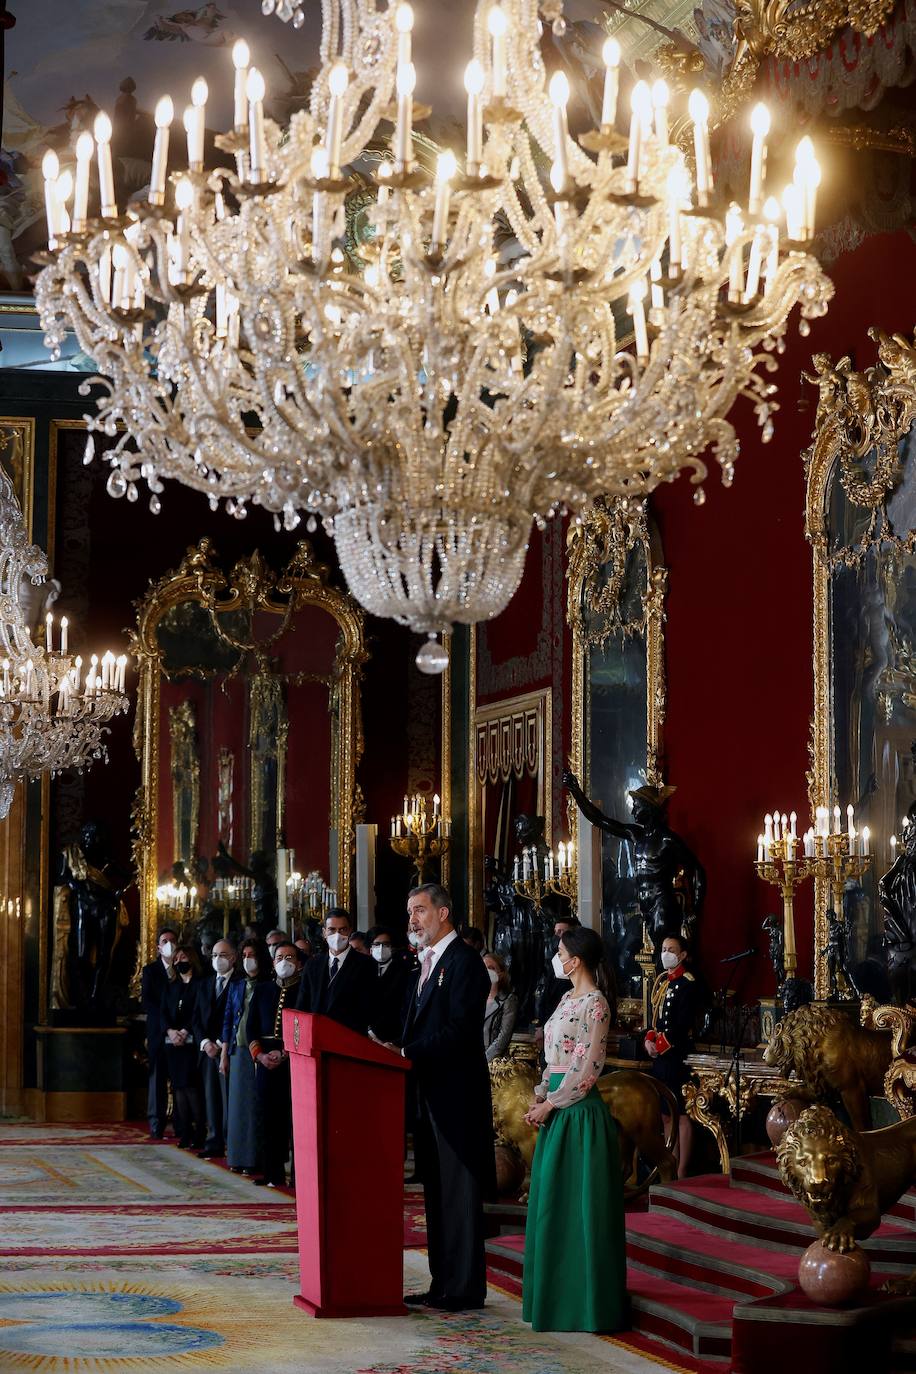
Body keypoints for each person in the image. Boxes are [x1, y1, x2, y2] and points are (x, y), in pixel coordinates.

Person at [522, 925, 626, 1333]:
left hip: (579, 1115)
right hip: (556, 1110)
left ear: (576, 960)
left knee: (581, 1211)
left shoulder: (596, 1005)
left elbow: (586, 1070)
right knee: (551, 1209)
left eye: (560, 952)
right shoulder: (566, 998)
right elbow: (554, 1058)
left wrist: (552, 1102)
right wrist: (540, 1094)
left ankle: (586, 1306)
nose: (557, 958)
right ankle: (553, 1300)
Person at [398, 883, 494, 1312]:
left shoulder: (465, 962)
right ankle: (442, 1283)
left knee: (459, 1196)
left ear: (444, 912)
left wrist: (406, 1052)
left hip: (457, 1099)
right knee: (436, 1196)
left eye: (419, 910)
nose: (413, 920)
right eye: (410, 912)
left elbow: (460, 1030)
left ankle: (464, 1288)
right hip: (429, 1097)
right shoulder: (426, 962)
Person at [246, 941, 302, 1188]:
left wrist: (285, 1053)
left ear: (299, 963)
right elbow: (251, 1029)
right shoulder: (263, 990)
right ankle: (272, 1172)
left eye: (290, 957)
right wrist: (260, 1055)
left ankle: (299, 1175)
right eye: (280, 957)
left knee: (294, 1120)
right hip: (265, 1061)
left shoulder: (304, 990)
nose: (284, 962)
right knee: (268, 1119)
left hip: (293, 1063)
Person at [645, 932, 700, 1178]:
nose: (665, 953)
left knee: (681, 1115)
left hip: (678, 1058)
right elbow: (655, 1017)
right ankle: (671, 1166)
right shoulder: (662, 982)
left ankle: (682, 1168)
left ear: (683, 955)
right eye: (664, 948)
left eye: (671, 949)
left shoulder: (688, 983)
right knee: (666, 1116)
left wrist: (661, 1044)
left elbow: (682, 1024)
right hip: (661, 1061)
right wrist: (649, 1040)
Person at [221, 937, 270, 1175]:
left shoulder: (268, 983)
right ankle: (238, 1157)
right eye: (245, 956)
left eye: (252, 955)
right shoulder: (237, 984)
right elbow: (228, 1018)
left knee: (255, 1106)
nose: (248, 959)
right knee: (237, 1107)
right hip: (238, 1049)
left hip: (258, 1048)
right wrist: (224, 1053)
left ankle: (255, 1158)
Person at [295, 909, 377, 1035]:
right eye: (332, 929)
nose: (337, 935)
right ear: (324, 932)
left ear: (350, 930)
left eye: (342, 929)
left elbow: (368, 1008)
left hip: (349, 1040)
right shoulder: (312, 964)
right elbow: (302, 1005)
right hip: (316, 1038)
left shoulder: (366, 964)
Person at [193, 938, 239, 1159]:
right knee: (211, 1098)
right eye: (214, 955)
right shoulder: (205, 984)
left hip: (227, 1049)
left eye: (222, 955)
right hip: (207, 1049)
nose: (217, 959)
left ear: (233, 957)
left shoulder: (239, 983)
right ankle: (214, 1142)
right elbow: (196, 1019)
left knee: (228, 1098)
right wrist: (205, 1043)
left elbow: (234, 1018)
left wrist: (220, 1043)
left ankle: (233, 1143)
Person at [161, 944, 207, 1150]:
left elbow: (198, 1013)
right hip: (173, 1043)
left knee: (192, 1087)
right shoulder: (171, 986)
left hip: (191, 1044)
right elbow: (162, 1013)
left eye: (183, 958)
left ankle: (199, 1132)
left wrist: (186, 1031)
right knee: (178, 1087)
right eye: (176, 959)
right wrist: (170, 1031)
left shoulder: (200, 985)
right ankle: (185, 1131)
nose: (180, 961)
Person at [141, 927, 179, 1139]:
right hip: (159, 1032)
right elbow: (150, 1003)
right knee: (157, 1079)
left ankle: (182, 1122)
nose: (169, 944)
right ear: (158, 947)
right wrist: (168, 1028)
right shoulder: (150, 971)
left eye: (172, 940)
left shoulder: (184, 969)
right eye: (165, 940)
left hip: (181, 1036)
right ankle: (156, 1122)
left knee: (181, 1079)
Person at [535, 914, 580, 1035]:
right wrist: (540, 1025)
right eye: (555, 932)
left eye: (561, 932)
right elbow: (546, 994)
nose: (556, 936)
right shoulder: (554, 963)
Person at [368, 925, 411, 1045]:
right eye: (377, 944)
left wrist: (374, 1033)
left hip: (392, 1037)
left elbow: (398, 1006)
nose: (381, 948)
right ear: (370, 947)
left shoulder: (403, 970)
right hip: (365, 1035)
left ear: (391, 947)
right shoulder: (364, 969)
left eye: (386, 944)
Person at [482, 952, 518, 1062]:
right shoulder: (473, 997)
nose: (486, 971)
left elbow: (504, 1036)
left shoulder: (509, 999)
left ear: (501, 973)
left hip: (494, 1062)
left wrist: (483, 1059)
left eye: (491, 968)